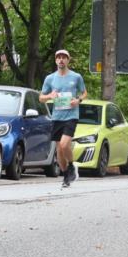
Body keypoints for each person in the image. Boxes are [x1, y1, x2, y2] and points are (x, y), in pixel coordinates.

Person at [40, 49, 87, 188]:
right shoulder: (50, 78)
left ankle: (72, 166)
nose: (61, 60)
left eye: (64, 57)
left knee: (65, 144)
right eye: (58, 57)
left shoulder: (76, 77)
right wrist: (50, 96)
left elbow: (84, 93)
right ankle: (66, 174)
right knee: (59, 150)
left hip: (71, 115)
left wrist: (78, 100)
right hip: (57, 117)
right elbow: (41, 98)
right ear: (55, 60)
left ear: (68, 60)